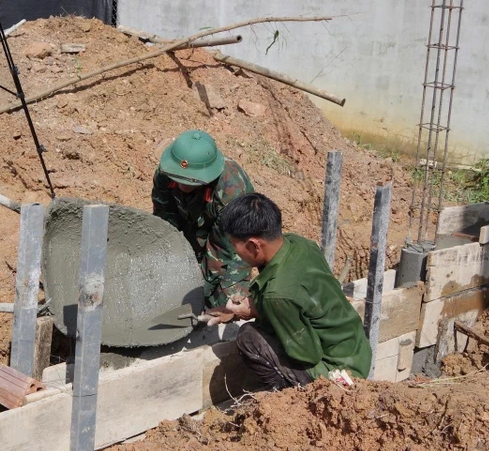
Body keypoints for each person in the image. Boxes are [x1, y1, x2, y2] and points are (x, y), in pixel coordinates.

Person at [212, 192, 372, 389]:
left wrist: (259, 312)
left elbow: (307, 355)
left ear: (253, 245)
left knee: (249, 338)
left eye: (234, 244)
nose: (234, 251)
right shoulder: (298, 244)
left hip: (337, 373)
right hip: (356, 350)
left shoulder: (277, 296)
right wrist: (255, 306)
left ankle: (287, 396)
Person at [152, 129, 255, 308]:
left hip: (235, 241)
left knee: (225, 302)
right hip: (195, 223)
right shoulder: (164, 174)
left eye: (191, 180)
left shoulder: (231, 191)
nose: (183, 185)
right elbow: (164, 218)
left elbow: (222, 250)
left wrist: (199, 292)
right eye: (179, 177)